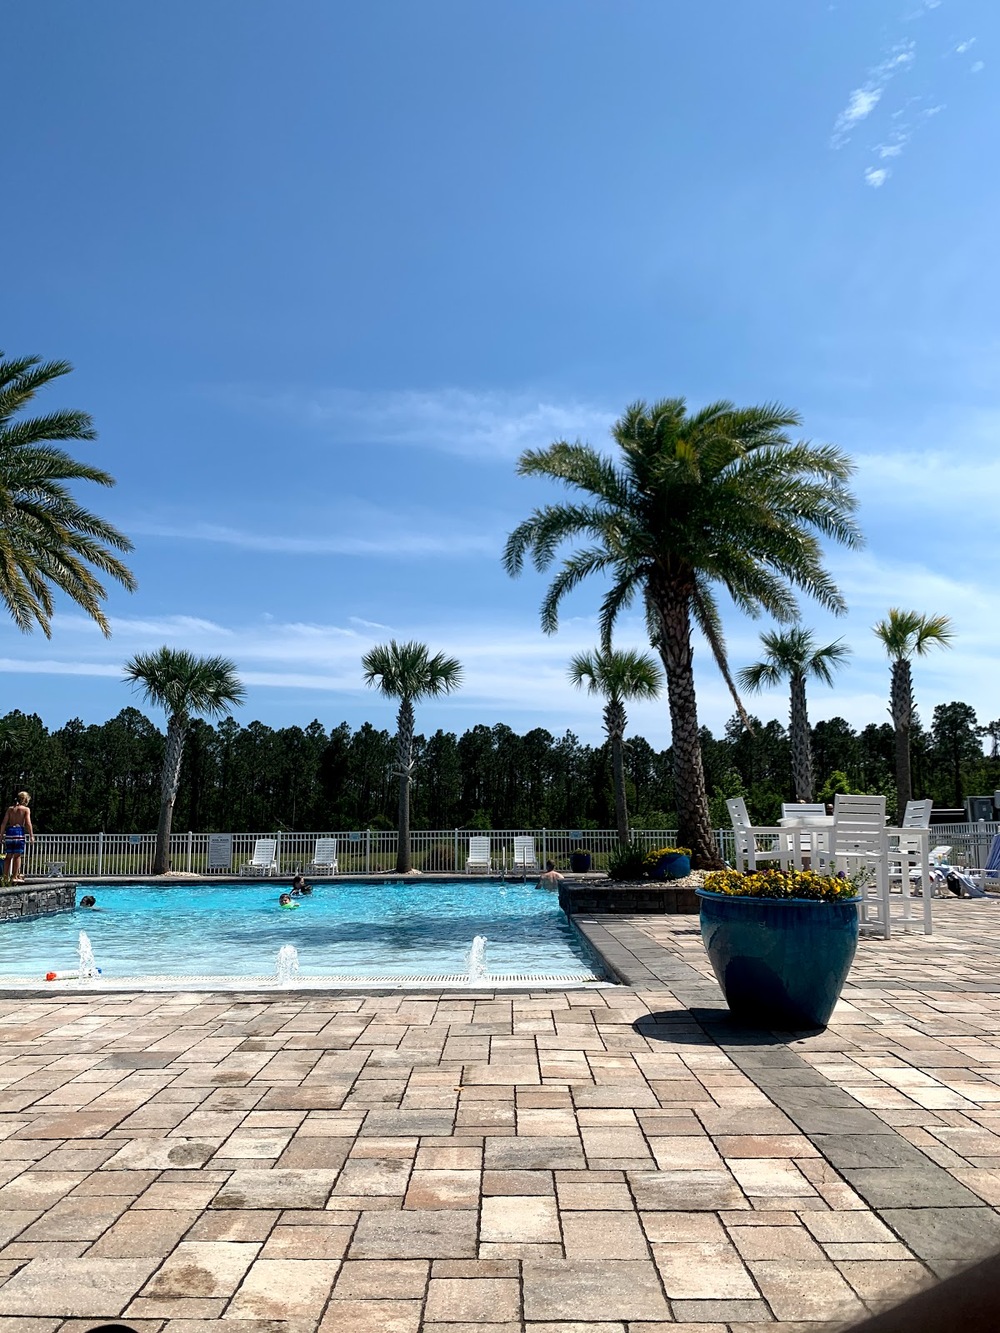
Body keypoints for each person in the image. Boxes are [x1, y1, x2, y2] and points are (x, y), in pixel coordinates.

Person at [0, 792, 34, 883]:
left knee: (8, 856)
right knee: (17, 856)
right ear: (25, 800)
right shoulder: (25, 809)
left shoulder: (10, 809)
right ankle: (14, 876)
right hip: (19, 832)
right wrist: (31, 835)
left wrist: (1, 835)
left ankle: (5, 877)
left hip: (10, 832)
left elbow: (4, 823)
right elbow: (28, 823)